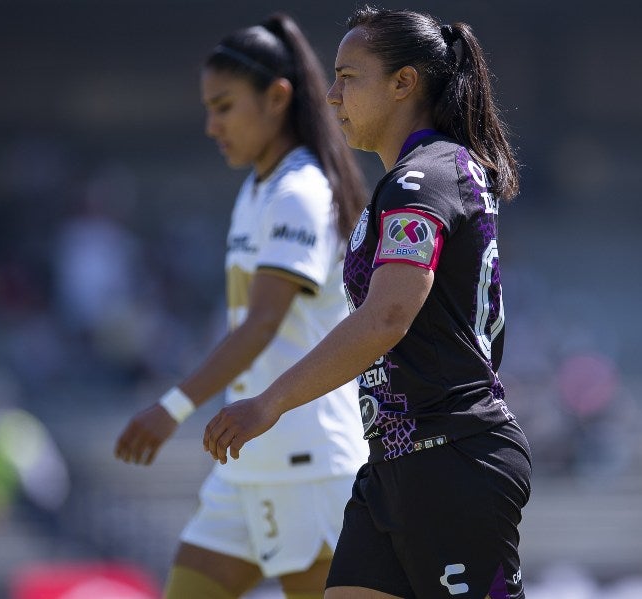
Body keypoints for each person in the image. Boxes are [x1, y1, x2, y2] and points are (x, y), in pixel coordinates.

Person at [203, 6, 531, 599]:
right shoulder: (415, 177)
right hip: (394, 463)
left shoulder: (424, 178)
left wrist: (269, 404)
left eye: (348, 76)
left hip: (450, 456)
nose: (331, 96)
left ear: (404, 82)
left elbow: (386, 316)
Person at [114, 12, 369, 599]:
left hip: (306, 461)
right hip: (246, 462)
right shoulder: (259, 188)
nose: (211, 125)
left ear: (277, 97)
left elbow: (261, 326)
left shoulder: (300, 192)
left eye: (224, 106)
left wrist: (171, 408)